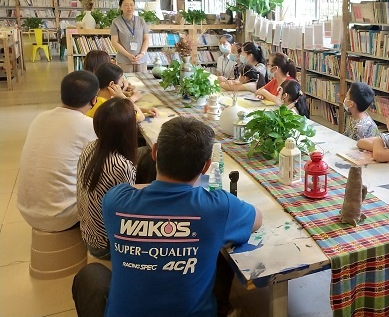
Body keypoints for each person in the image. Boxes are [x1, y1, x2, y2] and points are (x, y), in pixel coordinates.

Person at [72, 117, 262, 317]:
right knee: (218, 253)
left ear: (154, 152)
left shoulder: (115, 201)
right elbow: (257, 218)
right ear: (205, 166)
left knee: (90, 275)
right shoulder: (218, 206)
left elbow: (133, 189)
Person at [17, 71, 99, 231]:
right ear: (94, 100)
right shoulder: (89, 125)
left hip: (25, 210)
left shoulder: (40, 118)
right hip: (62, 215)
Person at [77, 98, 137, 259]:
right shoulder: (121, 166)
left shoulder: (90, 147)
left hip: (87, 233)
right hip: (105, 246)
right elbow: (128, 215)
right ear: (128, 130)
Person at [86, 63, 157, 122]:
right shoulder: (109, 107)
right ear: (112, 84)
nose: (122, 84)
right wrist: (122, 97)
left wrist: (145, 110)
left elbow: (125, 111)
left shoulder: (96, 98)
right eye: (121, 81)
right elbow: (140, 117)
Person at [110, 0, 150, 73]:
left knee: (142, 79)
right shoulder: (116, 22)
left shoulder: (141, 20)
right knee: (126, 80)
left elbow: (146, 39)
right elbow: (114, 42)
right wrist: (128, 55)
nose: (129, 7)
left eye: (131, 5)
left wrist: (142, 53)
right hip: (124, 60)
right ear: (120, 7)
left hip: (141, 59)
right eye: (126, 5)